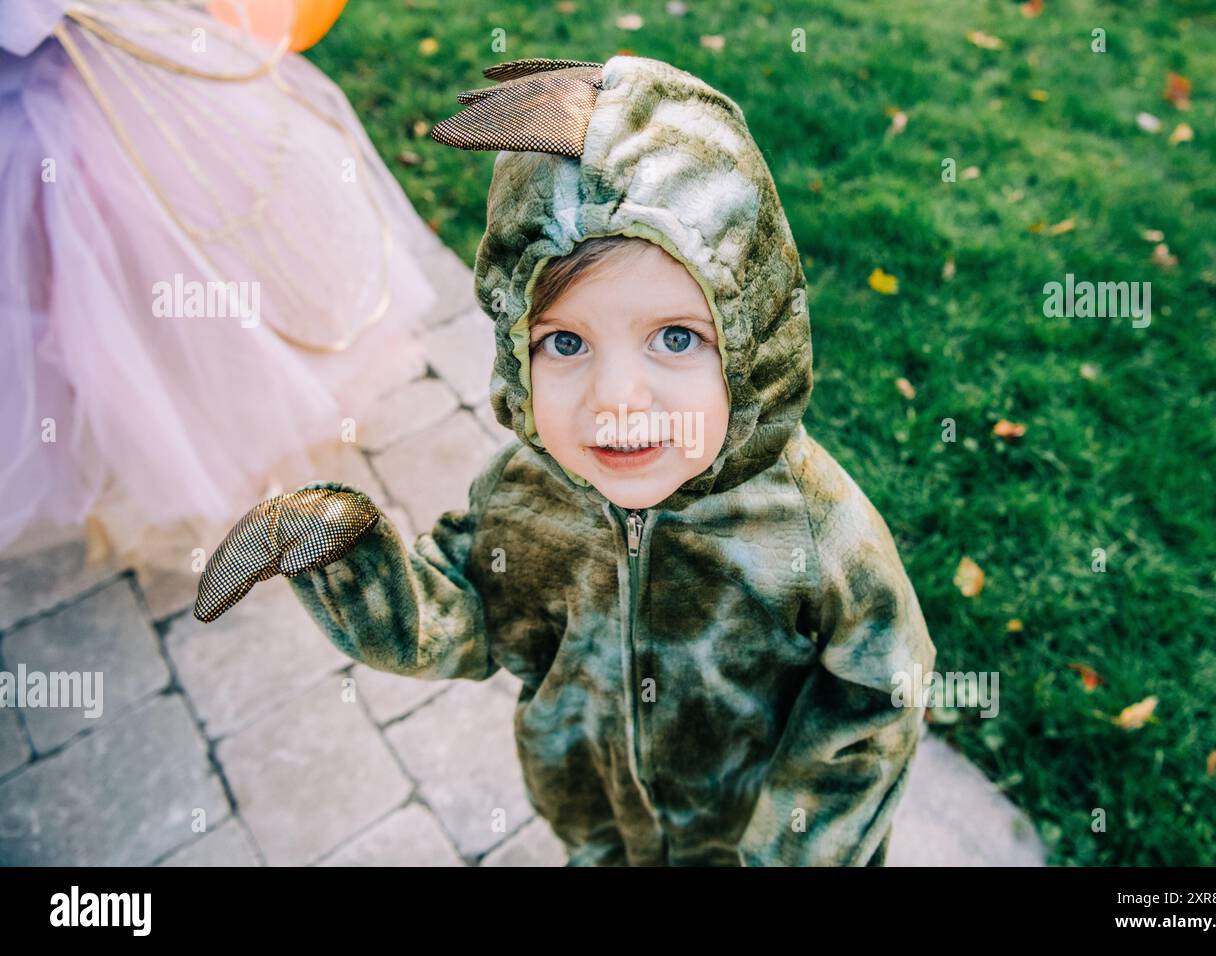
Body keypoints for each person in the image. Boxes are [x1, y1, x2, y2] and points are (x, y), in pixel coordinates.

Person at [192, 55, 937, 866]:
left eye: (676, 338)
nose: (617, 400)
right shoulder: (524, 492)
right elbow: (469, 617)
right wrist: (355, 567)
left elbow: (881, 697)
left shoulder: (814, 528)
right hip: (597, 822)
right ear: (517, 346)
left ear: (752, 329)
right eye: (566, 342)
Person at [0, 0, 434, 565]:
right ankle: (139, 444)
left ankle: (232, 433)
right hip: (48, 98)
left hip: (112, 66)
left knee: (174, 259)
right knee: (81, 282)